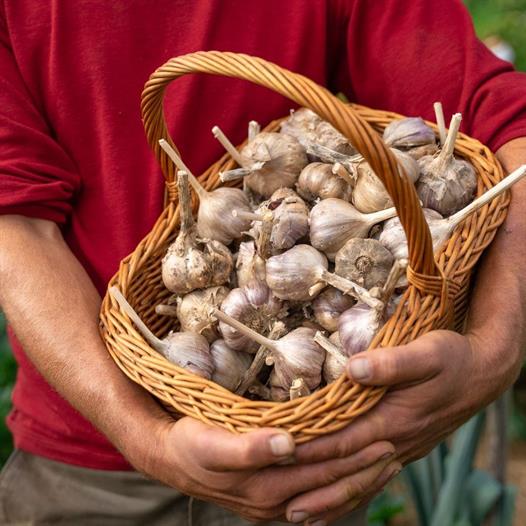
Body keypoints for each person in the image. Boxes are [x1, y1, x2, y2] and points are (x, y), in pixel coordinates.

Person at [0, 1, 525, 524]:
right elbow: (13, 221)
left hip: (308, 448)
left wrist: (496, 346)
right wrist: (144, 435)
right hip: (85, 459)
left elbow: (502, 118)